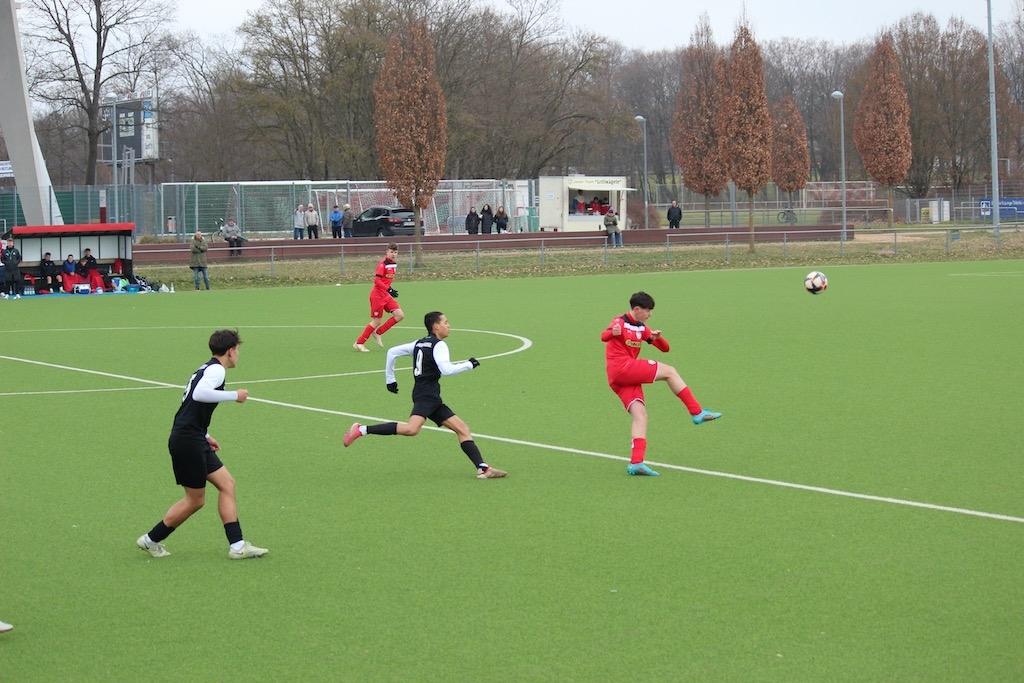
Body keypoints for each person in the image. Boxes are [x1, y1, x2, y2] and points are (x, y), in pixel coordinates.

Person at [136, 329, 268, 560]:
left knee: (227, 484)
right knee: (195, 500)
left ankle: (237, 546)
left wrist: (205, 435)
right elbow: (199, 395)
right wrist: (234, 395)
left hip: (193, 438)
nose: (238, 355)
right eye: (238, 350)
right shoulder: (216, 370)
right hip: (187, 441)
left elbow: (189, 408)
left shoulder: (206, 368)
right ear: (230, 351)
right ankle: (150, 540)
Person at [343, 311, 508, 480]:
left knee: (462, 429)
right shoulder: (439, 345)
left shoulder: (419, 343)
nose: (448, 325)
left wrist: (390, 379)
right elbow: (446, 370)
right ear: (436, 326)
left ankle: (483, 468)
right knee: (411, 429)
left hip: (429, 396)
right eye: (445, 322)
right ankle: (361, 430)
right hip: (427, 396)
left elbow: (392, 352)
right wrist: (469, 364)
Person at [602, 291, 721, 476]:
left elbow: (665, 349)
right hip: (622, 368)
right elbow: (604, 336)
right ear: (637, 309)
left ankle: (636, 463)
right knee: (670, 372)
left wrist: (658, 339)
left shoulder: (642, 328)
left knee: (641, 416)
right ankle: (697, 412)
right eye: (648, 311)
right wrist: (612, 333)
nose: (650, 314)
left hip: (621, 378)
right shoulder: (620, 322)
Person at [353, 242, 404, 352]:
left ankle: (378, 333)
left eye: (395, 252)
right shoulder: (382, 264)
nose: (393, 254)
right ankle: (359, 343)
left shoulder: (394, 264)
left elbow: (386, 280)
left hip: (385, 295)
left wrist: (389, 289)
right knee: (376, 321)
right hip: (377, 296)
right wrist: (388, 289)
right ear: (387, 252)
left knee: (399, 315)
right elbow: (377, 280)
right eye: (391, 252)